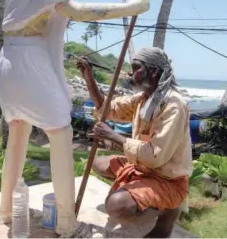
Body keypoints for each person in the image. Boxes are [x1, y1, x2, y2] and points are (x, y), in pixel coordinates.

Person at [0, 0, 150, 237]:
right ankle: (67, 222)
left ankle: (6, 210)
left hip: (9, 60)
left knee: (18, 135)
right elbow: (75, 11)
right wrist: (131, 7)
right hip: (29, 60)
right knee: (61, 133)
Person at [77, 47, 193, 238]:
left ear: (154, 72)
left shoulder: (173, 105)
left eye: (136, 68)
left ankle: (168, 211)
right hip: (143, 168)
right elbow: (108, 109)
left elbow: (155, 156)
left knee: (116, 206)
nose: (131, 73)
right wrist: (89, 79)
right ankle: (140, 195)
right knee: (98, 163)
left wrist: (114, 136)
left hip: (167, 178)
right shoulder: (143, 98)